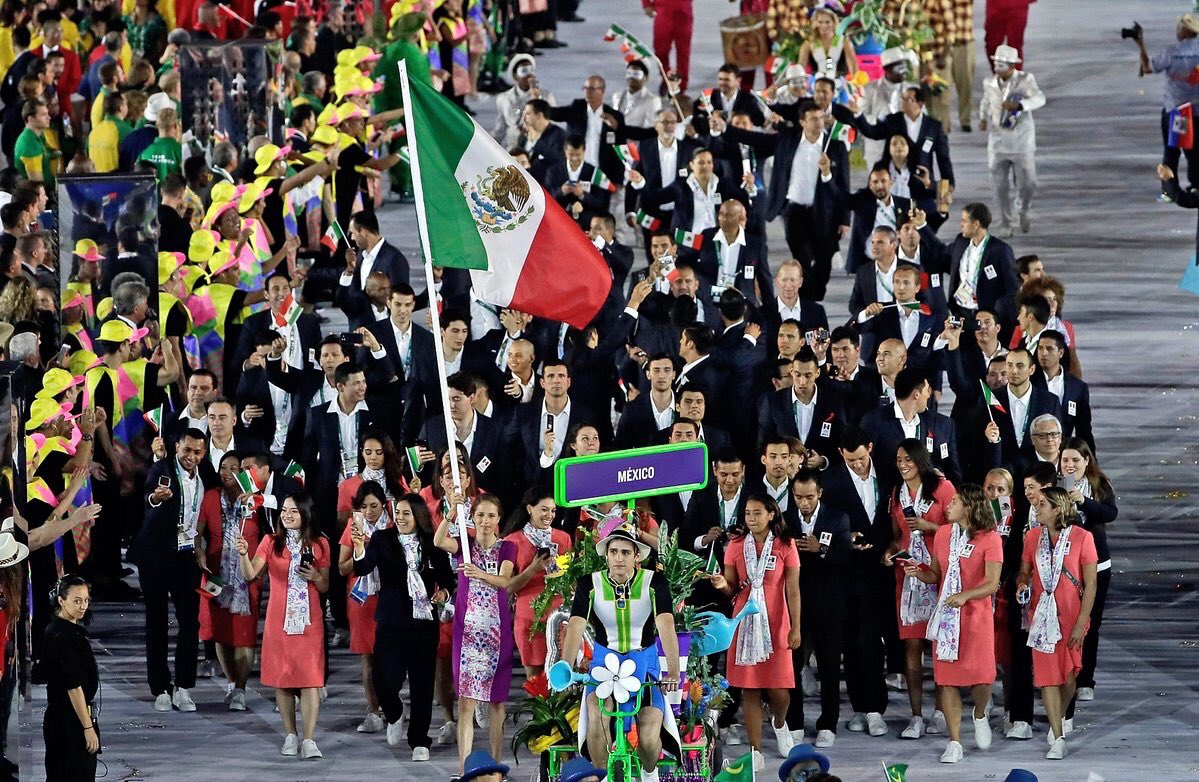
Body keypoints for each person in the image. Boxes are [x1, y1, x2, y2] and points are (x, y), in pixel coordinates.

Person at [559, 519, 681, 782]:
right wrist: (564, 667)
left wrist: (673, 671)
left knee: (649, 738)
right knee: (598, 719)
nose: (619, 558)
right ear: (606, 555)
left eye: (626, 552)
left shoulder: (654, 583)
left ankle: (649, 775)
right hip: (603, 667)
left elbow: (666, 624)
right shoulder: (588, 584)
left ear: (637, 556)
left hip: (644, 667)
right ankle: (602, 778)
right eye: (613, 552)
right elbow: (576, 626)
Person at [905, 484, 1002, 763]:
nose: (948, 505)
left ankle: (980, 712)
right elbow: (936, 573)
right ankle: (955, 741)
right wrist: (919, 573)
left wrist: (966, 595)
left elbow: (992, 583)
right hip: (947, 618)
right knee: (946, 681)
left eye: (955, 502)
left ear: (969, 507)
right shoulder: (943, 534)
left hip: (976, 617)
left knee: (982, 678)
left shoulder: (990, 538)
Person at [351, 492, 453, 759]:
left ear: (418, 516)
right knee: (383, 679)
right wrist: (359, 546)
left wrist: (443, 595)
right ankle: (395, 712)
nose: (400, 517)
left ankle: (419, 740)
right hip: (391, 622)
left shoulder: (433, 544)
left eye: (406, 513)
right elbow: (362, 569)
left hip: (423, 625)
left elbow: (448, 582)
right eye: (397, 512)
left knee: (422, 684)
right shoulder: (382, 540)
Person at [236, 494, 331, 760]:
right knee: (284, 679)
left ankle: (309, 739)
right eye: (285, 510)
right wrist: (244, 554)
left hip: (310, 622)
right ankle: (290, 735)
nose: (287, 515)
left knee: (311, 680)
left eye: (294, 511)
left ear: (305, 514)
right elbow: (251, 573)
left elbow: (325, 585)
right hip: (279, 621)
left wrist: (314, 576)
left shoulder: (320, 543)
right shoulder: (270, 542)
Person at [710, 493, 800, 771]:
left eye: (757, 513)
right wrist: (721, 583)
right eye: (748, 513)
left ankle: (780, 722)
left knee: (779, 691)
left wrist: (796, 627)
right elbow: (731, 587)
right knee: (749, 689)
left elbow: (793, 590)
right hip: (745, 624)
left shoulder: (786, 544)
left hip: (776, 623)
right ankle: (755, 749)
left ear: (771, 514)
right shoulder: (735, 546)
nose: (751, 518)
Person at [434, 493, 516, 774]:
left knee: (496, 703)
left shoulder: (508, 547)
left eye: (491, 516)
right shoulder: (465, 546)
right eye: (480, 515)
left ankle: (495, 765)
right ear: (473, 518)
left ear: (498, 520)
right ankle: (465, 767)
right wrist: (451, 513)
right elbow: (438, 541)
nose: (485, 521)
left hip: (497, 633)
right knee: (466, 703)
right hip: (466, 634)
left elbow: (504, 581)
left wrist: (478, 573)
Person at [1017, 487, 1098, 760]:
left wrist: (1081, 622)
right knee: (1047, 678)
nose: (1036, 508)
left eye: (1042, 504)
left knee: (1069, 677)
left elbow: (1091, 585)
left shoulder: (1082, 538)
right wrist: (1021, 585)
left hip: (1072, 615)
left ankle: (1059, 718)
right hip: (1041, 616)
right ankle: (1058, 737)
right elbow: (1024, 572)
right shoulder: (1031, 537)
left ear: (1057, 509)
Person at [885, 438, 957, 739]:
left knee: (939, 645)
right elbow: (896, 535)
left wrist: (930, 528)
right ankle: (916, 716)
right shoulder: (897, 493)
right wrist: (889, 552)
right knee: (911, 647)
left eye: (908, 459)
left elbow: (960, 529)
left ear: (920, 460)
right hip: (909, 577)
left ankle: (941, 711)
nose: (903, 464)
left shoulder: (943, 488)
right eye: (899, 459)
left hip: (939, 573)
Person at [196, 451, 261, 712]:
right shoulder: (211, 497)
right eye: (224, 467)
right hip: (216, 572)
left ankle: (242, 689)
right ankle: (232, 683)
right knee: (220, 632)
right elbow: (199, 533)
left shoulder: (257, 500)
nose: (228, 472)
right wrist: (199, 551)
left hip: (247, 574)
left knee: (244, 635)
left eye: (235, 467)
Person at [1057, 438, 1117, 704]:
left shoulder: (1099, 484)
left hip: (1096, 565)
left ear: (1086, 461)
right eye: (1065, 460)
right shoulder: (1057, 485)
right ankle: (1062, 673)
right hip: (1062, 566)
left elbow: (1109, 513)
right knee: (1063, 621)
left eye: (1075, 460)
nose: (1070, 465)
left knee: (1091, 622)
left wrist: (1084, 502)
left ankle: (1085, 679)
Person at [337, 480, 391, 734]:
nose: (369, 511)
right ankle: (373, 710)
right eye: (364, 507)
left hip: (389, 596)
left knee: (390, 656)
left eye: (374, 506)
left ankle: (391, 707)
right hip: (361, 598)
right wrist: (363, 549)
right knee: (367, 657)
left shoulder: (393, 526)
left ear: (383, 504)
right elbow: (342, 567)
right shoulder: (353, 526)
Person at [502, 487, 573, 678]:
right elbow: (507, 587)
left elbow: (571, 579)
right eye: (544, 509)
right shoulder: (512, 541)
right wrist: (533, 569)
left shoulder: (563, 538)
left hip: (560, 616)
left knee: (562, 678)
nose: (549, 515)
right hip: (529, 618)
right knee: (536, 682)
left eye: (553, 510)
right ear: (529, 509)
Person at [979, 45, 1045, 237]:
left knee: (1028, 182)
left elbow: (1040, 98)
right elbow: (985, 101)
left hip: (1021, 141)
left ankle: (1023, 207)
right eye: (996, 63)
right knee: (999, 186)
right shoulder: (990, 83)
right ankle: (1005, 222)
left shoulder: (1025, 80)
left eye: (1002, 64)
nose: (997, 68)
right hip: (998, 141)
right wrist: (983, 118)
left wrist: (1021, 105)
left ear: (1011, 66)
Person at [42, 574, 101, 782]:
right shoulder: (64, 636)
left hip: (67, 717)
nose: (83, 606)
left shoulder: (65, 629)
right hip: (68, 721)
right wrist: (87, 727)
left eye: (86, 600)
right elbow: (72, 686)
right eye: (76, 601)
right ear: (61, 600)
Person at [1136, 14, 1199, 191]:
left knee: (1172, 150)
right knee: (1195, 153)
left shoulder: (1172, 53)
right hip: (1198, 112)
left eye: (1179, 28)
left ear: (1185, 31)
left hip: (1178, 113)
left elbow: (1148, 68)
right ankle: (1196, 187)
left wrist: (1140, 43)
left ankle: (1169, 189)